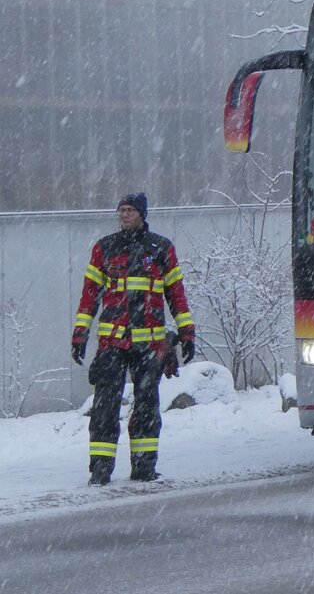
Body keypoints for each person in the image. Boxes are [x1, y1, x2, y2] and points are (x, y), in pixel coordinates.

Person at [70, 192, 196, 485]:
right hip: (112, 344)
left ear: (142, 214)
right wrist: (80, 335)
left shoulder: (161, 248)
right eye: (121, 210)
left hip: (149, 346)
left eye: (129, 210)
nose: (124, 215)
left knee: (147, 408)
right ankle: (101, 469)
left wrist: (187, 332)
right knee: (104, 408)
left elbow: (176, 294)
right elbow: (89, 296)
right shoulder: (105, 248)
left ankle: (144, 467)